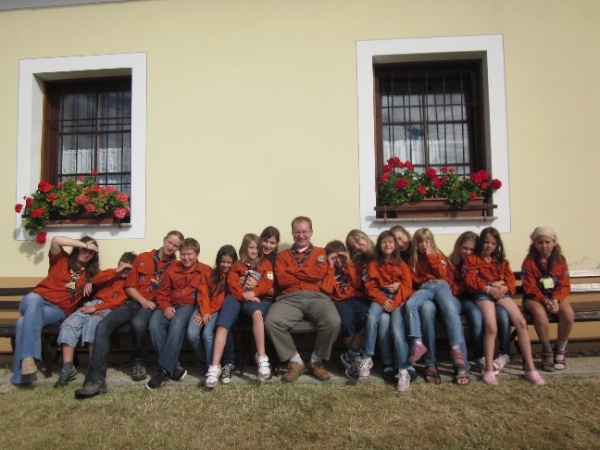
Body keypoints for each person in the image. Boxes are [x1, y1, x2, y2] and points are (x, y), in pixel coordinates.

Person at [74, 230, 183, 399]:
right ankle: (97, 380)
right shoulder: (143, 258)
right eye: (169, 242)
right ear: (164, 240)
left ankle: (138, 361)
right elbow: (129, 286)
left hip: (153, 306)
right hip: (133, 302)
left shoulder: (176, 266)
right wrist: (142, 300)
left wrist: (155, 304)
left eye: (175, 246)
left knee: (138, 324)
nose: (171, 247)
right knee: (103, 326)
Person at [0, 236, 99, 394]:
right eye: (84, 249)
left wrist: (91, 280)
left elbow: (110, 277)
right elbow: (56, 240)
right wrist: (84, 243)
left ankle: (20, 377)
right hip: (37, 301)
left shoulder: (89, 275)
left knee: (22, 323)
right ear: (78, 247)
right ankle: (29, 359)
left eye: (91, 252)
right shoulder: (61, 259)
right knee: (33, 299)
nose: (87, 253)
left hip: (56, 311)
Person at [463, 227, 546, 386]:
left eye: (493, 243)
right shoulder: (472, 259)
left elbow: (510, 281)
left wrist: (505, 287)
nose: (489, 246)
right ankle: (488, 369)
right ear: (481, 242)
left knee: (521, 323)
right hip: (483, 294)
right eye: (486, 242)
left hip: (501, 293)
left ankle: (530, 368)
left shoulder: (501, 261)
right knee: (491, 327)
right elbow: (470, 280)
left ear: (497, 245)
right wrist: (489, 287)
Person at [265, 216, 340, 382]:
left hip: (317, 297)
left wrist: (292, 270)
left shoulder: (321, 253)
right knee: (271, 322)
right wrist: (308, 274)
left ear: (311, 232)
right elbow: (282, 280)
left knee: (333, 321)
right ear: (292, 233)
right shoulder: (282, 256)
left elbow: (319, 274)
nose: (301, 235)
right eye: (297, 232)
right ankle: (296, 361)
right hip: (289, 298)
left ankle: (316, 361)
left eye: (304, 231)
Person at [54, 251, 136, 388]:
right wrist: (117, 270)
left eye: (129, 268)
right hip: (90, 304)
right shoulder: (110, 274)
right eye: (124, 266)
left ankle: (93, 368)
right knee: (69, 324)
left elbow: (118, 302)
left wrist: (96, 308)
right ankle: (68, 368)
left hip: (106, 308)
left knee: (93, 325)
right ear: (119, 264)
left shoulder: (129, 283)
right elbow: (97, 280)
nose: (125, 271)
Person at [205, 234, 274, 388]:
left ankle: (262, 358)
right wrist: (244, 294)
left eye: (257, 248)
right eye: (251, 247)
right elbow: (232, 283)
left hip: (253, 298)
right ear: (244, 248)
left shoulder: (266, 264)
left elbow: (267, 283)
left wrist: (254, 292)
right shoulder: (237, 265)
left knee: (257, 314)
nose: (254, 251)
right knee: (223, 324)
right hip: (237, 297)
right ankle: (214, 367)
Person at [404, 228, 470, 385]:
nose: (423, 245)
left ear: (432, 242)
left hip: (441, 286)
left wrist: (430, 256)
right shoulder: (413, 262)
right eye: (420, 242)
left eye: (427, 241)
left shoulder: (438, 256)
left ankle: (457, 351)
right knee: (413, 304)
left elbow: (442, 274)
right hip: (425, 289)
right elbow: (413, 281)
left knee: (450, 309)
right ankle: (419, 346)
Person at [146, 238, 211, 390]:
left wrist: (203, 311)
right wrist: (166, 306)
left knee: (177, 323)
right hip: (170, 304)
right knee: (154, 324)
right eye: (183, 254)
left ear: (197, 254)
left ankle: (163, 370)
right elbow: (162, 292)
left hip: (188, 305)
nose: (186, 258)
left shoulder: (205, 270)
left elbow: (206, 294)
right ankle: (173, 367)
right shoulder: (172, 268)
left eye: (189, 254)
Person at [353, 230, 413, 392]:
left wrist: (394, 303)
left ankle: (403, 369)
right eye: (384, 242)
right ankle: (367, 356)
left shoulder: (402, 264)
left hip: (398, 299)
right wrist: (382, 300)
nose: (387, 245)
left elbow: (407, 286)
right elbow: (370, 287)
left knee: (396, 330)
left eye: (390, 242)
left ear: (395, 245)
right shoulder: (374, 264)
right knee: (371, 317)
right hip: (380, 297)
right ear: (379, 245)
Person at [448, 231, 512, 373]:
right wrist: (469, 284)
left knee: (503, 314)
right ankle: (479, 355)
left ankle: (504, 353)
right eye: (465, 248)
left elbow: (491, 280)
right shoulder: (452, 263)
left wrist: (498, 284)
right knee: (476, 315)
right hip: (464, 298)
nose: (468, 252)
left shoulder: (479, 260)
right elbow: (453, 287)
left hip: (484, 296)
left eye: (471, 249)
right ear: (458, 246)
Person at [521, 226, 573, 372]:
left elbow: (564, 284)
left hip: (555, 297)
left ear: (554, 243)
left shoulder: (560, 261)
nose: (544, 246)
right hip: (534, 298)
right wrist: (544, 300)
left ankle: (560, 349)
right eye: (540, 242)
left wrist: (556, 299)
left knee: (568, 314)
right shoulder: (529, 262)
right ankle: (547, 350)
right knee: (539, 312)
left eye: (547, 242)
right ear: (535, 244)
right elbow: (529, 287)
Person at [187, 245, 238, 384]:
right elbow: (202, 293)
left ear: (234, 262)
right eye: (223, 261)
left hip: (216, 310)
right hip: (203, 308)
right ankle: (206, 360)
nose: (225, 265)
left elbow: (221, 300)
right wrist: (203, 311)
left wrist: (208, 311)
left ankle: (212, 366)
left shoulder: (233, 277)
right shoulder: (209, 273)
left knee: (207, 334)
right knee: (192, 333)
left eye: (229, 262)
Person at [321, 240, 369, 378]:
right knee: (346, 322)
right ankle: (354, 358)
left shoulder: (353, 266)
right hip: (341, 301)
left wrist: (348, 263)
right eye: (334, 258)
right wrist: (330, 267)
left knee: (367, 317)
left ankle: (350, 356)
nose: (338, 261)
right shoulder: (328, 271)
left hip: (358, 299)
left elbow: (358, 284)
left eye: (340, 256)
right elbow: (327, 289)